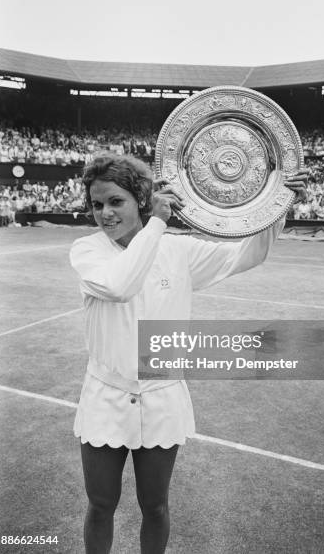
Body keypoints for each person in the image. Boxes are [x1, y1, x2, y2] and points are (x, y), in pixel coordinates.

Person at [69, 153, 308, 554]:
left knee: (156, 506)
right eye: (97, 205)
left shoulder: (177, 250)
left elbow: (245, 254)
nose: (105, 214)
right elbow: (120, 285)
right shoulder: (87, 250)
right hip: (104, 396)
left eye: (115, 201)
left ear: (140, 200)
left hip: (163, 396)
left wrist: (277, 205)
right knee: (101, 504)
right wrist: (158, 224)